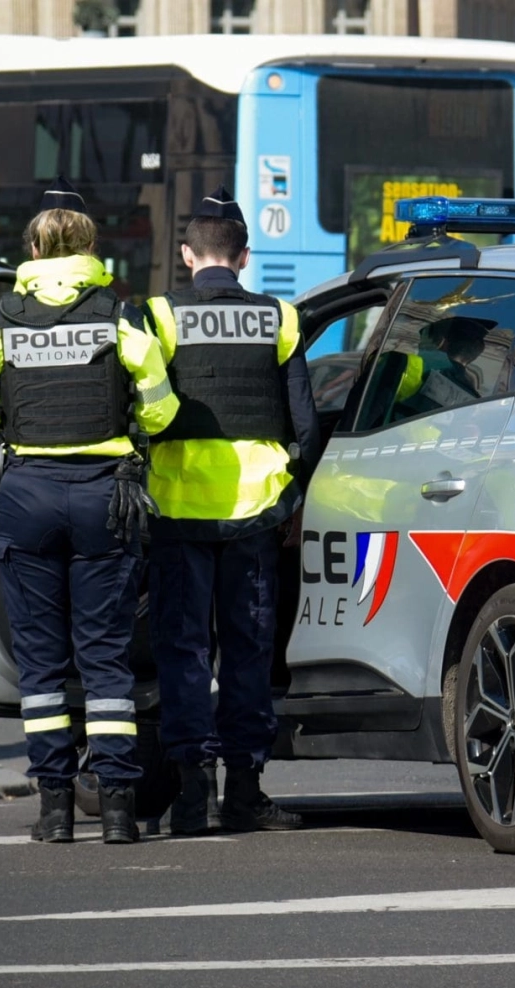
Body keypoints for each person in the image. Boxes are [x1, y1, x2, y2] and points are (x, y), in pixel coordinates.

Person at [0, 178, 178, 845]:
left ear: (31, 247)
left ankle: (54, 811)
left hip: (28, 493)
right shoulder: (120, 316)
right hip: (103, 495)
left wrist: (11, 424)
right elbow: (161, 407)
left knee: (41, 662)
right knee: (106, 659)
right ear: (90, 248)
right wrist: (129, 421)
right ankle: (116, 809)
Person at [144, 186, 321, 835]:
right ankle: (246, 791)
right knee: (246, 653)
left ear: (189, 254)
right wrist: (293, 500)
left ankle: (193, 796)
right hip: (257, 513)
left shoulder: (160, 315)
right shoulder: (279, 317)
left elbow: (142, 411)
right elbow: (305, 427)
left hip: (176, 510)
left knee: (184, 651)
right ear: (243, 256)